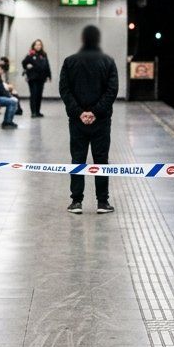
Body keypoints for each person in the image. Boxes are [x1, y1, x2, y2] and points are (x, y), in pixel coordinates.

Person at [59, 25, 118, 214]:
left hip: (77, 122)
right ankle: (102, 202)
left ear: (83, 39)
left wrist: (79, 112)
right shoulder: (108, 62)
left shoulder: (70, 61)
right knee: (101, 160)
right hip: (101, 121)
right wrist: (95, 112)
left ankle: (76, 202)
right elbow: (112, 91)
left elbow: (64, 89)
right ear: (97, 39)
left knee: (78, 159)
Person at [21, 40, 52, 118]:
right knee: (33, 95)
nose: (38, 46)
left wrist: (49, 75)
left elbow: (47, 65)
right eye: (36, 45)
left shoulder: (44, 55)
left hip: (41, 78)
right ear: (33, 46)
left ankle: (38, 111)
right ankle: (33, 112)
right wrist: (27, 65)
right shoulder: (31, 54)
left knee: (39, 95)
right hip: (32, 77)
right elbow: (24, 62)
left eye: (39, 45)